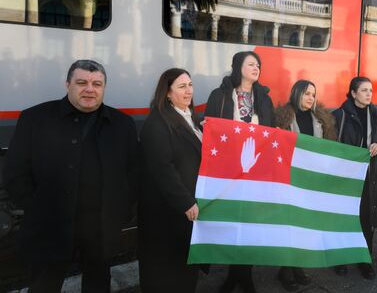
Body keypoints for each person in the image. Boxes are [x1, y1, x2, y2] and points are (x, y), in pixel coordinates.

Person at [4, 60, 138, 293]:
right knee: (44, 286)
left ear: (104, 87)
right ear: (68, 84)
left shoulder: (122, 124)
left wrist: (121, 210)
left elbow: (134, 173)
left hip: (100, 228)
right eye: (81, 82)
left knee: (97, 285)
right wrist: (36, 207)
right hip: (50, 227)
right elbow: (15, 172)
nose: (90, 89)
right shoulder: (35, 119)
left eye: (97, 83)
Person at [205, 50, 274, 293]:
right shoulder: (220, 95)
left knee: (250, 222)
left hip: (255, 170)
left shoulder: (264, 98)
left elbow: (272, 133)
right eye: (251, 64)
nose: (256, 68)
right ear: (238, 67)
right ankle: (235, 275)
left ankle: (244, 275)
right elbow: (210, 128)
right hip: (227, 170)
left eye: (258, 65)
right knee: (232, 221)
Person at [138, 68, 203, 292]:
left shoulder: (192, 118)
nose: (189, 91)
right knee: (165, 273)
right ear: (167, 92)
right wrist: (185, 202)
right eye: (182, 86)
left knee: (184, 271)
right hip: (168, 214)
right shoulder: (157, 123)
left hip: (186, 212)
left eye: (190, 85)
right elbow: (161, 168)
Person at [273, 80, 336, 291]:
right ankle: (286, 269)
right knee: (289, 225)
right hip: (289, 180)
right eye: (307, 93)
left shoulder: (322, 119)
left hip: (312, 181)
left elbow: (330, 149)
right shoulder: (282, 118)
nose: (311, 98)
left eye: (313, 94)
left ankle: (296, 265)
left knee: (304, 226)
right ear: (296, 93)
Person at [332, 77, 377, 280]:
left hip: (370, 176)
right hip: (345, 176)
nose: (369, 94)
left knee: (367, 219)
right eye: (364, 90)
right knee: (344, 217)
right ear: (353, 93)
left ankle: (364, 259)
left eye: (371, 90)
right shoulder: (339, 115)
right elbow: (328, 143)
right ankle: (340, 258)